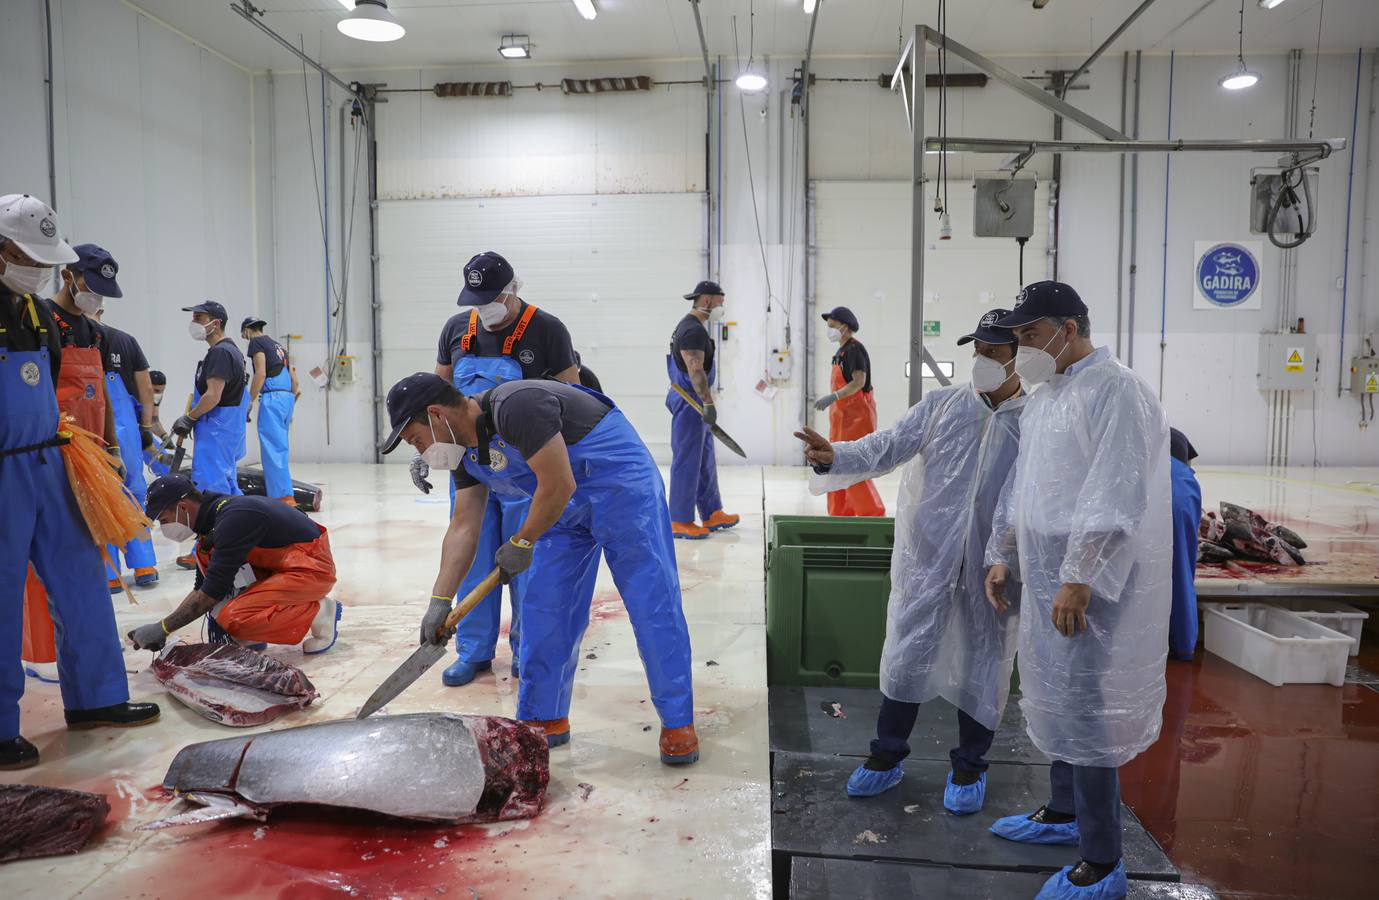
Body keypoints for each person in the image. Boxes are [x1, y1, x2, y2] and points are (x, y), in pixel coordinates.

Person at [381, 373, 698, 764]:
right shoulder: (464, 450)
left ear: (435, 414)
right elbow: (464, 525)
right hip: (560, 512)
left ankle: (678, 722)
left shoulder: (517, 406)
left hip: (622, 491)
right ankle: (543, 718)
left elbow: (559, 482)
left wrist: (522, 540)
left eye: (416, 440)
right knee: (545, 611)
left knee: (651, 605)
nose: (423, 452)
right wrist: (439, 600)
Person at [982, 281, 1171, 900]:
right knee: (1056, 693)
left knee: (1086, 707)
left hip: (1089, 578)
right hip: (1047, 571)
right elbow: (1025, 485)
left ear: (1068, 328)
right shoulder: (1048, 394)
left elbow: (1115, 494)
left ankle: (1101, 857)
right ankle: (1063, 813)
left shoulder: (1117, 391)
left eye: (1030, 335)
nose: (1022, 349)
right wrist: (1003, 552)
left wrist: (1079, 576)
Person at [796, 310, 1025, 814]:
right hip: (928, 561)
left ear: (1020, 357)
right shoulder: (943, 406)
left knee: (985, 664)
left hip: (994, 569)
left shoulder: (1035, 419)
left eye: (994, 352)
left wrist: (1005, 554)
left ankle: (969, 767)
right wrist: (836, 456)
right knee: (905, 656)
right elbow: (889, 445)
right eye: (978, 351)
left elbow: (1030, 497)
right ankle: (886, 757)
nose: (982, 360)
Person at [0, 193, 160, 769]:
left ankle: (97, 699)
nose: (40, 270)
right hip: (1, 470)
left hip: (51, 459)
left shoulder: (40, 315)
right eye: (29, 257)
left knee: (83, 581)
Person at [417, 251, 580, 688]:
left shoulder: (546, 329)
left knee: (526, 561)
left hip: (528, 470)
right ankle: (474, 651)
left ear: (512, 291)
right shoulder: (456, 329)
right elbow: (437, 396)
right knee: (471, 554)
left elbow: (573, 395)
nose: (482, 309)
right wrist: (429, 452)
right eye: (475, 300)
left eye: (490, 299)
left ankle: (529, 649)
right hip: (471, 464)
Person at [22, 242, 127, 680]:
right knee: (45, 564)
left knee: (88, 558)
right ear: (69, 275)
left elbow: (101, 394)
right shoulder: (43, 320)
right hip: (53, 454)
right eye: (91, 285)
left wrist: (114, 448)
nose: (96, 296)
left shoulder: (96, 332)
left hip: (92, 459)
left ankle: (84, 654)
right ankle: (43, 656)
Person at [128, 473, 341, 654]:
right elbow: (202, 588)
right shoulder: (211, 525)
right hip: (281, 566)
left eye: (164, 520)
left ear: (182, 507)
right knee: (220, 606)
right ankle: (253, 635)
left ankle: (319, 613)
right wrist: (163, 626)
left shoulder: (232, 519)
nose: (164, 528)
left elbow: (211, 593)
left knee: (234, 617)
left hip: (310, 567)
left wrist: (163, 628)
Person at [666, 280, 739, 540]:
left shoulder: (693, 328)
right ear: (707, 300)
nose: (723, 306)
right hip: (690, 402)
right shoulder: (692, 331)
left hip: (695, 401)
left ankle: (711, 512)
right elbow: (695, 369)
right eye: (721, 300)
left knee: (703, 459)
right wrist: (707, 402)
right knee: (687, 460)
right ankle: (679, 519)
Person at [96, 307, 160, 590]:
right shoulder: (126, 340)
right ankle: (145, 565)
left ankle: (110, 574)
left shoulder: (72, 336)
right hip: (127, 428)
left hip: (92, 424)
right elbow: (146, 389)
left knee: (99, 496)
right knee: (134, 492)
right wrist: (146, 428)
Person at [813, 306, 885, 517]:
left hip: (857, 418)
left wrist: (833, 397)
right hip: (841, 418)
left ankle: (872, 515)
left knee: (853, 467)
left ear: (844, 327)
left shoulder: (855, 350)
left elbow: (859, 382)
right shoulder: (840, 352)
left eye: (832, 324)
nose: (829, 328)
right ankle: (840, 515)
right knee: (835, 465)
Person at [174, 300, 247, 497]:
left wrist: (190, 418)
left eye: (199, 318)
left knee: (212, 487)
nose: (194, 323)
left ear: (215, 323)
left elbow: (213, 396)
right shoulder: (232, 351)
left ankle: (217, 527)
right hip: (225, 429)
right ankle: (235, 523)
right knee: (227, 482)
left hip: (215, 430)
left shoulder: (221, 352)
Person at [241, 317, 298, 504]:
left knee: (271, 450)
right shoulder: (279, 347)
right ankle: (285, 493)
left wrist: (248, 401)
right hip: (287, 397)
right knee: (281, 448)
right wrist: (289, 400)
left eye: (244, 335)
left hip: (273, 397)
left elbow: (261, 373)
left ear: (248, 330)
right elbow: (295, 381)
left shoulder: (256, 342)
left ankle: (282, 498)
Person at [1168, 429, 1201, 662]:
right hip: (1182, 487)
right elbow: (1188, 467)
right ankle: (1182, 643)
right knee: (1181, 567)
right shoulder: (1175, 434)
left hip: (1154, 484)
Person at [144, 369, 171, 478]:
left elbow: (153, 420)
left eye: (161, 391)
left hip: (143, 434)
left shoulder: (155, 397)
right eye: (156, 390)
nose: (158, 394)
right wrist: (157, 454)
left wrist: (165, 436)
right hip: (131, 435)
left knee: (166, 468)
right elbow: (139, 432)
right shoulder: (134, 397)